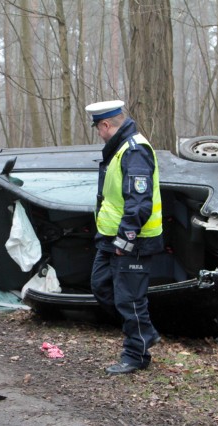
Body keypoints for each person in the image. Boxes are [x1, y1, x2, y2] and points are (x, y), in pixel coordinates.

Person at [86, 100, 164, 375]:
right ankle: (145, 332)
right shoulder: (119, 149)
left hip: (132, 240)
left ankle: (136, 353)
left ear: (106, 125)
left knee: (130, 299)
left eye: (98, 127)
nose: (98, 132)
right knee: (101, 286)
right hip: (109, 238)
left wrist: (126, 239)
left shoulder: (135, 151)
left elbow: (139, 202)